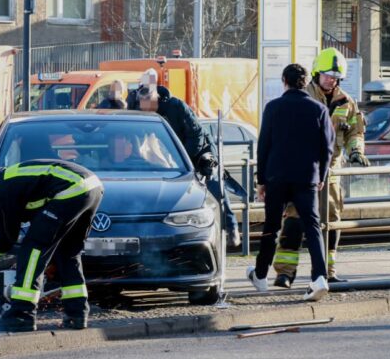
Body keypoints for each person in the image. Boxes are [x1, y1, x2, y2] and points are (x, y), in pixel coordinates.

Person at [0, 159, 103, 332]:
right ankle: (77, 314)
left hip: (73, 188)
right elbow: (6, 235)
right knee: (67, 252)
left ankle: (21, 315)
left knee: (33, 249)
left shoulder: (6, 189)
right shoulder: (7, 185)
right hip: (92, 187)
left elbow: (8, 238)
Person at [271, 47, 368, 286]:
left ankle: (328, 272)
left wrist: (356, 151)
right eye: (326, 75)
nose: (330, 80)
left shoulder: (347, 102)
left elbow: (355, 132)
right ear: (316, 73)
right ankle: (285, 273)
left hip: (331, 173)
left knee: (331, 223)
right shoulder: (303, 97)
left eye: (335, 76)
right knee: (294, 221)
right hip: (304, 171)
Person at [247, 63, 334, 302]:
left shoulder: (273, 107)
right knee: (313, 227)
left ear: (284, 81)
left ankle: (261, 275)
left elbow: (263, 146)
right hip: (307, 178)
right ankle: (319, 278)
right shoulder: (319, 109)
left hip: (277, 177)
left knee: (271, 227)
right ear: (305, 83)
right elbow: (327, 148)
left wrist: (261, 180)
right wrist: (321, 176)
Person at [133, 69, 242, 247]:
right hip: (175, 155)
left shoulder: (176, 106)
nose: (146, 110)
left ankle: (231, 226)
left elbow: (196, 134)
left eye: (149, 106)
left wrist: (185, 159)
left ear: (155, 99)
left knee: (214, 183)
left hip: (200, 149)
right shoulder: (139, 108)